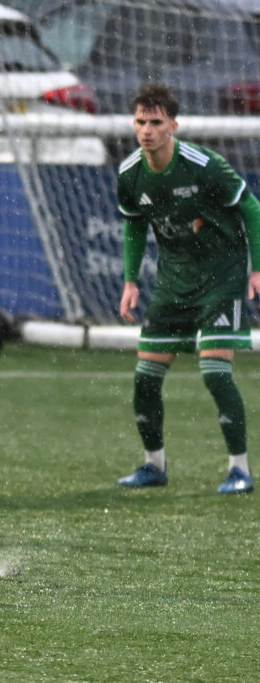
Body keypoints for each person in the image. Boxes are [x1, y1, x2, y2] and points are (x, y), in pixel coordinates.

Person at [117, 84, 259, 494]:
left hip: (221, 278)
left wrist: (257, 269)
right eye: (141, 121)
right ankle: (154, 466)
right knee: (145, 377)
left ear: (173, 126)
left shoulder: (204, 165)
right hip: (173, 282)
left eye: (156, 122)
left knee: (215, 372)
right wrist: (130, 281)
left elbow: (251, 207)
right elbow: (134, 225)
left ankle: (240, 471)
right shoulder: (130, 173)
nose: (147, 130)